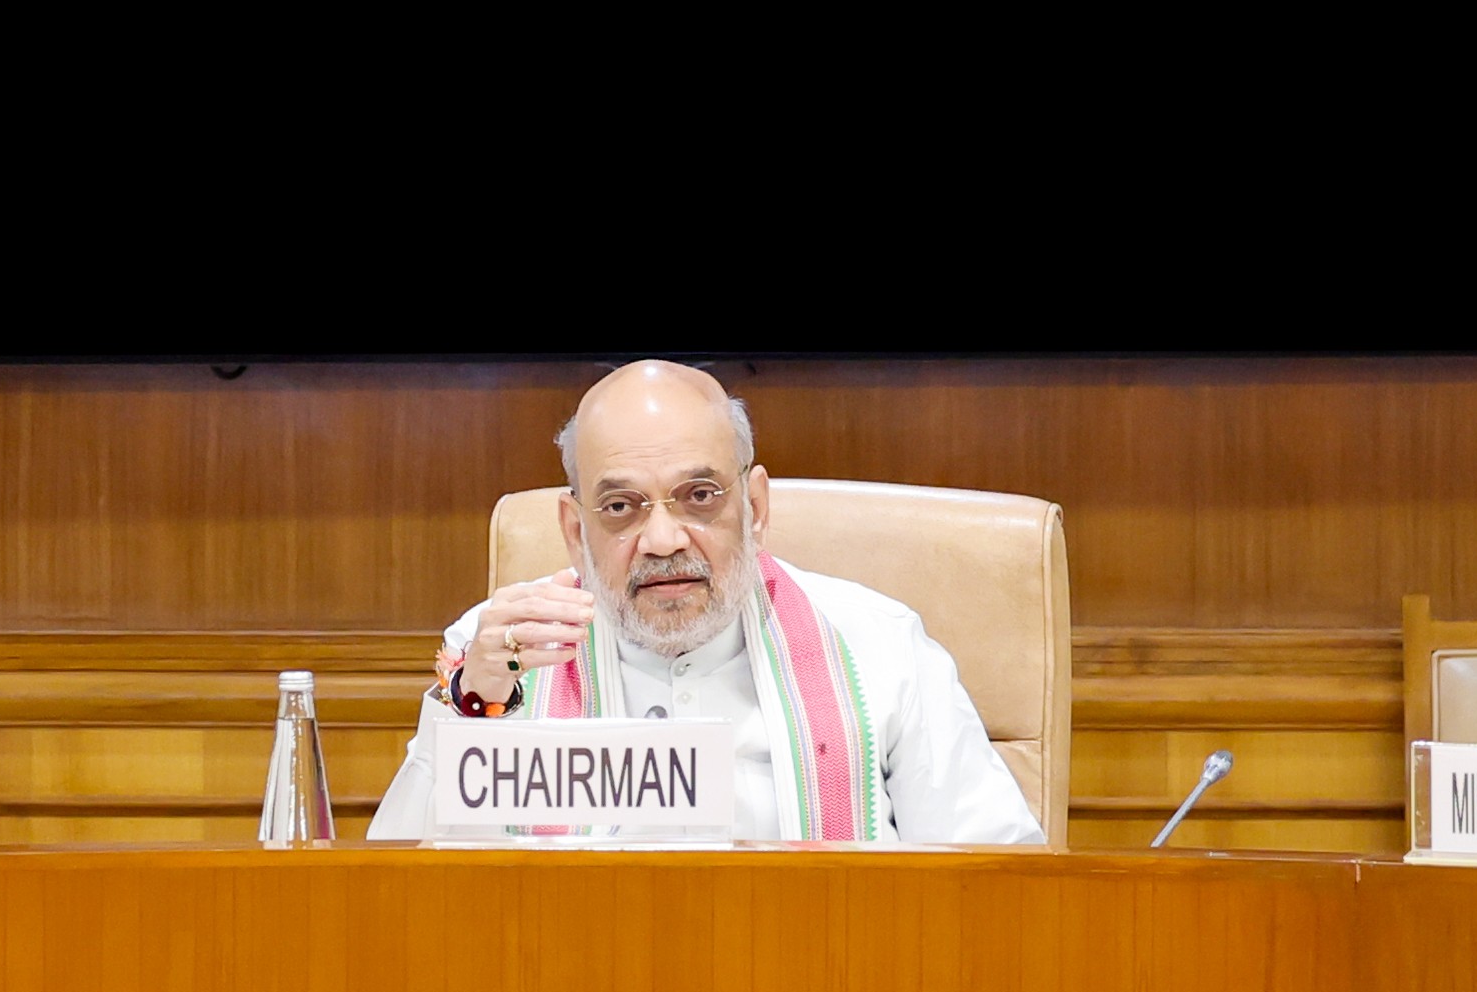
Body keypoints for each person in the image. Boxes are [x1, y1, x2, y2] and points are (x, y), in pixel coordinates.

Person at [375, 358, 1042, 850]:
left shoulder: (879, 646)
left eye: (699, 497)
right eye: (620, 507)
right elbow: (401, 892)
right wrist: (471, 710)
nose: (662, 540)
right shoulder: (501, 657)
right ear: (576, 530)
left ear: (754, 507)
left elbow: (992, 884)